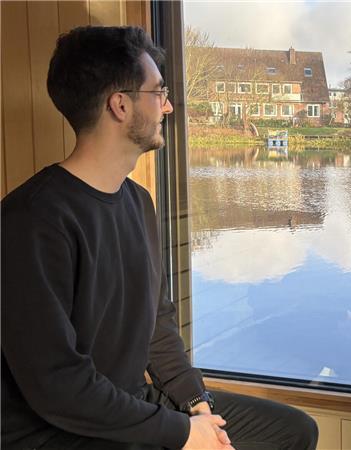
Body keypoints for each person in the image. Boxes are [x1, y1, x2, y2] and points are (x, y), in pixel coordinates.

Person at [0, 26, 318, 450]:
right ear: (120, 105)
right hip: (60, 431)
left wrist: (197, 406)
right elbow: (59, 385)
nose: (168, 106)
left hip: (130, 405)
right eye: (158, 92)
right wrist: (182, 434)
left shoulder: (137, 201)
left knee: (293, 432)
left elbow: (156, 324)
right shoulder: (31, 219)